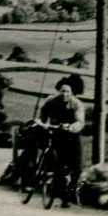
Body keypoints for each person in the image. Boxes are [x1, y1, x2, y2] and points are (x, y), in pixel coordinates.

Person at [35, 74, 86, 206]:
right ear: (59, 91)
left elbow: (80, 121)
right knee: (61, 166)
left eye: (68, 91)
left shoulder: (77, 104)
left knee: (77, 167)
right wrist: (42, 123)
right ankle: (62, 194)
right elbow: (43, 113)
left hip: (73, 135)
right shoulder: (51, 101)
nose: (65, 94)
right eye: (62, 91)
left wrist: (72, 127)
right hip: (58, 134)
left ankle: (71, 191)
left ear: (72, 93)